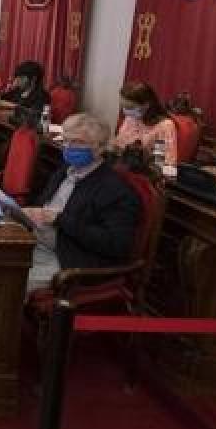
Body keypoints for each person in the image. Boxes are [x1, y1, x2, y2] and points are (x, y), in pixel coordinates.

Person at [23, 113, 141, 294]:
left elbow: (115, 245)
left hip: (70, 259)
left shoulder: (115, 190)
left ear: (100, 148)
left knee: (10, 281)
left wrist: (59, 219)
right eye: (66, 140)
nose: (68, 147)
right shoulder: (65, 170)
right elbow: (43, 204)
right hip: (38, 241)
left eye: (77, 142)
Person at [113, 81, 178, 166]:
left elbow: (162, 162)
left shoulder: (164, 127)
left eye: (130, 107)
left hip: (146, 173)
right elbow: (118, 145)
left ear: (146, 105)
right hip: (124, 166)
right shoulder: (131, 118)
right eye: (123, 106)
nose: (125, 111)